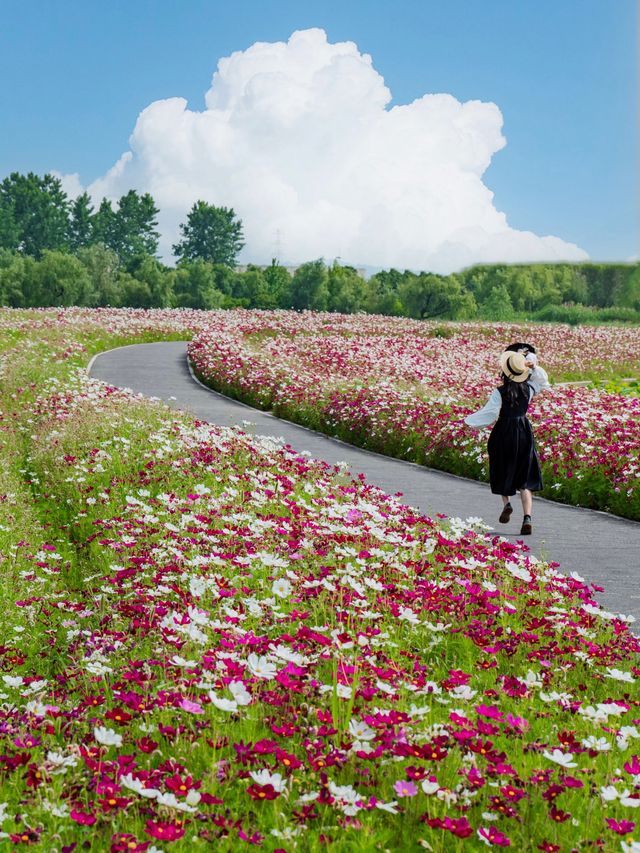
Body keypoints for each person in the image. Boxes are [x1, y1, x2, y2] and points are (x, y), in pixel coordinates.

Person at [464, 347, 550, 535]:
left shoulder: (499, 392)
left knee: (502, 468)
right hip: (524, 431)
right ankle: (527, 517)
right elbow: (543, 381)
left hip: (504, 431)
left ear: (505, 372)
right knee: (524, 476)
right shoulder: (530, 389)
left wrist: (470, 421)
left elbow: (490, 413)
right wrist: (532, 365)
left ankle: (507, 503)